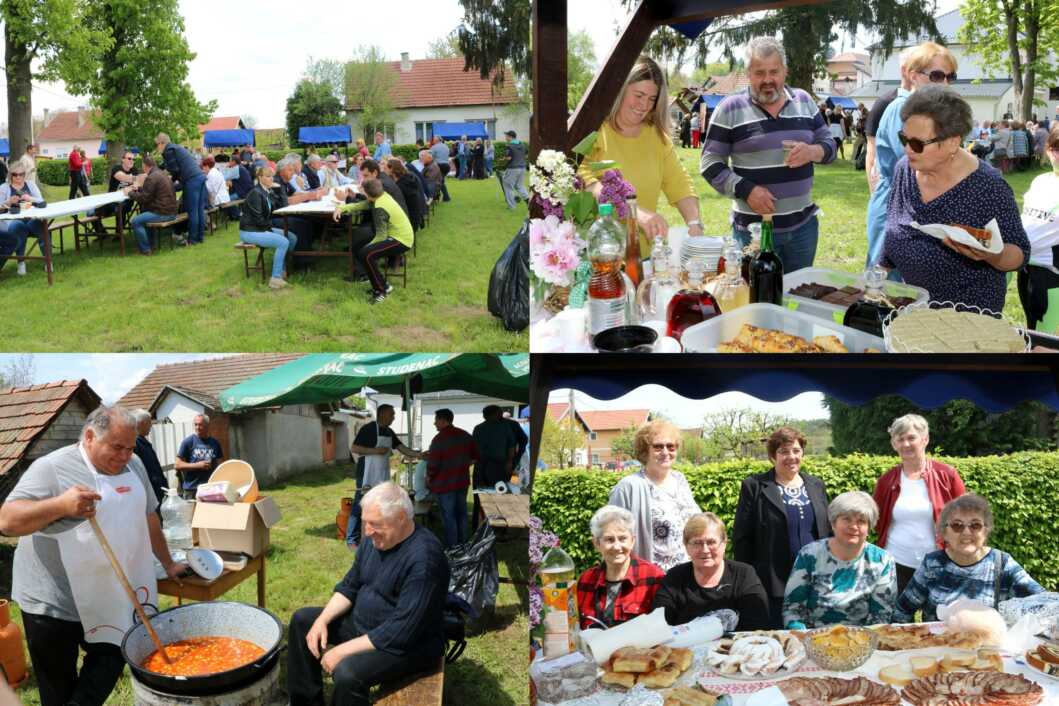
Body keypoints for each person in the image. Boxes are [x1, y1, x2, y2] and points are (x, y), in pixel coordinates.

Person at [0, 405, 186, 706]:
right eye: (117, 447)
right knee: (57, 687)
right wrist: (60, 505)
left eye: (130, 447)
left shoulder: (135, 465)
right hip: (54, 601)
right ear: (89, 436)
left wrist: (168, 563)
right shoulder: (52, 467)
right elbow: (7, 521)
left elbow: (149, 516)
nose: (125, 456)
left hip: (109, 593)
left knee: (114, 655)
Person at [287, 482, 449, 706]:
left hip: (410, 645)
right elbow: (350, 586)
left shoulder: (425, 559)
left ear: (401, 517)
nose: (367, 531)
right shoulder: (374, 541)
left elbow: (401, 631)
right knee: (303, 621)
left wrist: (341, 651)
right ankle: (305, 703)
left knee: (347, 673)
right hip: (367, 625)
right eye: (365, 523)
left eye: (375, 524)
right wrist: (322, 620)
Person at [881, 87, 1029, 313]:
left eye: (918, 144)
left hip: (966, 320)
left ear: (952, 142)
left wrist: (992, 255)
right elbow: (894, 223)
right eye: (904, 138)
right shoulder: (905, 169)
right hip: (912, 308)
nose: (907, 149)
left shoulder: (988, 187)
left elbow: (1019, 254)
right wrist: (880, 269)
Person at [701, 38, 836, 272]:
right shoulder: (730, 108)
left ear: (785, 71)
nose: (767, 80)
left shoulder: (804, 101)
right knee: (756, 300)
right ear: (748, 74)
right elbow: (709, 162)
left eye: (774, 71)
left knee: (796, 297)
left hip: (803, 228)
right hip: (753, 231)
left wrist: (813, 151)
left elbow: (830, 145)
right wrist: (746, 189)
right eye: (759, 72)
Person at [578, 56, 704, 248]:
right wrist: (636, 212)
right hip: (600, 256)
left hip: (642, 257)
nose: (644, 105)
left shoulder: (657, 137)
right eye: (638, 95)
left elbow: (680, 183)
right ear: (620, 90)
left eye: (651, 99)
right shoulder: (595, 131)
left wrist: (694, 223)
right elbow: (582, 180)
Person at [733, 426, 830, 629]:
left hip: (815, 578)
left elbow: (827, 530)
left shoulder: (816, 485)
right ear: (772, 456)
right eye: (784, 451)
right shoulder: (755, 486)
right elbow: (742, 538)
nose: (791, 457)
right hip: (773, 582)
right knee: (780, 640)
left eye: (796, 450)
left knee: (816, 637)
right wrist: (749, 581)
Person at [893, 494, 1044, 622]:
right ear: (944, 533)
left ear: (986, 531)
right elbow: (902, 612)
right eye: (957, 525)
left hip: (986, 652)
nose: (966, 532)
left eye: (975, 525)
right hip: (938, 651)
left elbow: (1043, 601)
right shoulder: (933, 564)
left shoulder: (1002, 564)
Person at [872, 414, 965, 594]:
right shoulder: (886, 480)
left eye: (911, 438)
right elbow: (876, 520)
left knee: (937, 619)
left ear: (925, 439)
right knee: (896, 620)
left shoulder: (948, 475)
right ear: (894, 445)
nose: (906, 444)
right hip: (896, 563)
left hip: (939, 563)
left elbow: (965, 519)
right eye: (900, 439)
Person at [782, 492, 897, 629]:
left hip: (861, 640)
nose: (854, 526)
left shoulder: (883, 560)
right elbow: (793, 608)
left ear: (869, 528)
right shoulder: (809, 554)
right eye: (847, 519)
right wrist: (803, 639)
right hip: (813, 638)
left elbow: (881, 616)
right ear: (833, 523)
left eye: (861, 521)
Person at [608, 419, 701, 572]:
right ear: (645, 450)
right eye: (658, 446)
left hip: (685, 576)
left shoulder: (680, 480)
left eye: (671, 446)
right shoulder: (628, 487)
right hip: (649, 579)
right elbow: (611, 536)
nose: (665, 452)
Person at [654, 512, 770, 632]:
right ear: (686, 546)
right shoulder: (674, 578)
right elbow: (660, 625)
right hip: (686, 648)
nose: (705, 550)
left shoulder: (744, 575)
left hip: (734, 648)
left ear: (724, 543)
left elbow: (758, 625)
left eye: (711, 542)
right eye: (697, 543)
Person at [345, 405, 423, 549]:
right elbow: (354, 448)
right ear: (382, 414)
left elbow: (401, 447)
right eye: (392, 414)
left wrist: (419, 454)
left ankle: (374, 532)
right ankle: (351, 539)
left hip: (382, 472)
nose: (394, 417)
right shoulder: (368, 429)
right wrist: (375, 450)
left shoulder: (388, 431)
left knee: (379, 503)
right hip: (367, 471)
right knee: (359, 503)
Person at [576, 505, 665, 630]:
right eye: (609, 540)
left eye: (623, 538)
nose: (617, 547)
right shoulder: (586, 580)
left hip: (641, 649)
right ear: (597, 543)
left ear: (632, 541)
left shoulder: (654, 577)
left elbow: (663, 628)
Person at [333, 178, 414, 304]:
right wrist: (342, 208)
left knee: (366, 253)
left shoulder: (380, 207)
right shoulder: (381, 196)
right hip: (395, 236)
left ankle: (381, 290)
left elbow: (381, 235)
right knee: (358, 248)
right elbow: (364, 205)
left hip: (401, 240)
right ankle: (376, 281)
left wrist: (367, 249)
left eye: (362, 190)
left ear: (366, 193)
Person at [1017, 124, 1059, 330]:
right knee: (1032, 330)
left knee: (1049, 341)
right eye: (1056, 148)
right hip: (1026, 270)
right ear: (1048, 148)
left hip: (1053, 277)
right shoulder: (1041, 180)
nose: (1058, 155)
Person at [425, 408, 477, 548]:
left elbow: (433, 464)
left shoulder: (439, 439)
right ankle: (464, 544)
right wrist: (462, 465)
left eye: (436, 420)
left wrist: (428, 477)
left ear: (443, 420)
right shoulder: (465, 435)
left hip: (444, 484)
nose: (434, 423)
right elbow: (475, 457)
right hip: (461, 482)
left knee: (449, 517)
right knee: (462, 514)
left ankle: (453, 547)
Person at [240, 166, 298, 289]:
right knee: (283, 242)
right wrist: (271, 230)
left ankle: (282, 269)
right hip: (250, 231)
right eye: (267, 176)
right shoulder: (255, 193)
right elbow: (258, 219)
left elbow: (281, 207)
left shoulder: (267, 191)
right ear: (260, 177)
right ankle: (275, 279)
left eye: (272, 176)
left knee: (291, 237)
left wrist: (279, 189)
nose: (271, 179)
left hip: (261, 228)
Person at [271, 156, 327, 270]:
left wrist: (313, 194)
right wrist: (308, 196)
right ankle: (301, 262)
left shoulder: (285, 181)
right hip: (273, 218)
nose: (293, 172)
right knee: (301, 225)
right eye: (290, 170)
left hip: (283, 214)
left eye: (292, 169)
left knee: (308, 220)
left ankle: (307, 253)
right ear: (281, 171)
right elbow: (286, 202)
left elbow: (296, 194)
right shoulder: (276, 182)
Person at [155, 132, 208, 245]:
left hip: (192, 180)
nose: (157, 147)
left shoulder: (168, 151)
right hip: (200, 177)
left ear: (162, 143)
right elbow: (170, 166)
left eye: (157, 144)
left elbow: (174, 170)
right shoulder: (176, 148)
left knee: (193, 211)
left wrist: (169, 182)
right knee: (199, 210)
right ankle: (200, 237)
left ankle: (193, 240)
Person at [123, 154, 178, 256]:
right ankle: (150, 245)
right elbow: (149, 193)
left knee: (135, 221)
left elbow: (144, 199)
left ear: (145, 166)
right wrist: (138, 189)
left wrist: (129, 193)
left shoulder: (152, 177)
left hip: (164, 213)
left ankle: (146, 249)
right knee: (145, 215)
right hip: (171, 210)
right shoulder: (161, 173)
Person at [0, 164, 46, 276]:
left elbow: (41, 201)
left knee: (40, 224)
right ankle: (21, 262)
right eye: (15, 175)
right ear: (10, 175)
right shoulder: (4, 187)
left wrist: (30, 198)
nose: (18, 177)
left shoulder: (30, 184)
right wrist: (8, 202)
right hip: (12, 220)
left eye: (21, 174)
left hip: (31, 218)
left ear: (24, 175)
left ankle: (47, 260)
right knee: (18, 226)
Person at [90, 150, 140, 235]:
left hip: (126, 201)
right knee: (90, 212)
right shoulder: (116, 168)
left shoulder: (134, 170)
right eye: (129, 158)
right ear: (123, 159)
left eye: (133, 159)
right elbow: (122, 177)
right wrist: (136, 180)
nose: (132, 161)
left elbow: (138, 184)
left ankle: (119, 234)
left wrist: (133, 184)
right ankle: (102, 234)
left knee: (120, 209)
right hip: (112, 201)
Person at [174, 413, 223, 499]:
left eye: (200, 425)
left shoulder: (215, 443)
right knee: (191, 513)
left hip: (210, 488)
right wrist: (198, 465)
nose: (197, 427)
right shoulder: (188, 442)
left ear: (207, 426)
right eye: (195, 424)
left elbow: (220, 465)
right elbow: (177, 465)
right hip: (192, 489)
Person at [132, 409, 168, 506]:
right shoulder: (134, 444)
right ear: (140, 423)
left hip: (156, 491)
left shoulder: (142, 442)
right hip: (148, 494)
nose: (151, 425)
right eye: (149, 422)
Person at [386, 158, 426, 232]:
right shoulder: (406, 178)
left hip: (410, 218)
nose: (384, 170)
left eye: (386, 168)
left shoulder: (402, 185)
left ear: (392, 169)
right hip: (414, 215)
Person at [501, 130, 529, 210]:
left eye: (506, 136)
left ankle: (511, 206)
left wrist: (503, 159)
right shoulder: (522, 144)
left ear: (510, 137)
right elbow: (526, 156)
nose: (505, 137)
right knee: (519, 186)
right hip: (522, 168)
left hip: (512, 168)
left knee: (508, 186)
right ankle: (528, 200)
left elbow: (509, 158)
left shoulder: (509, 145)